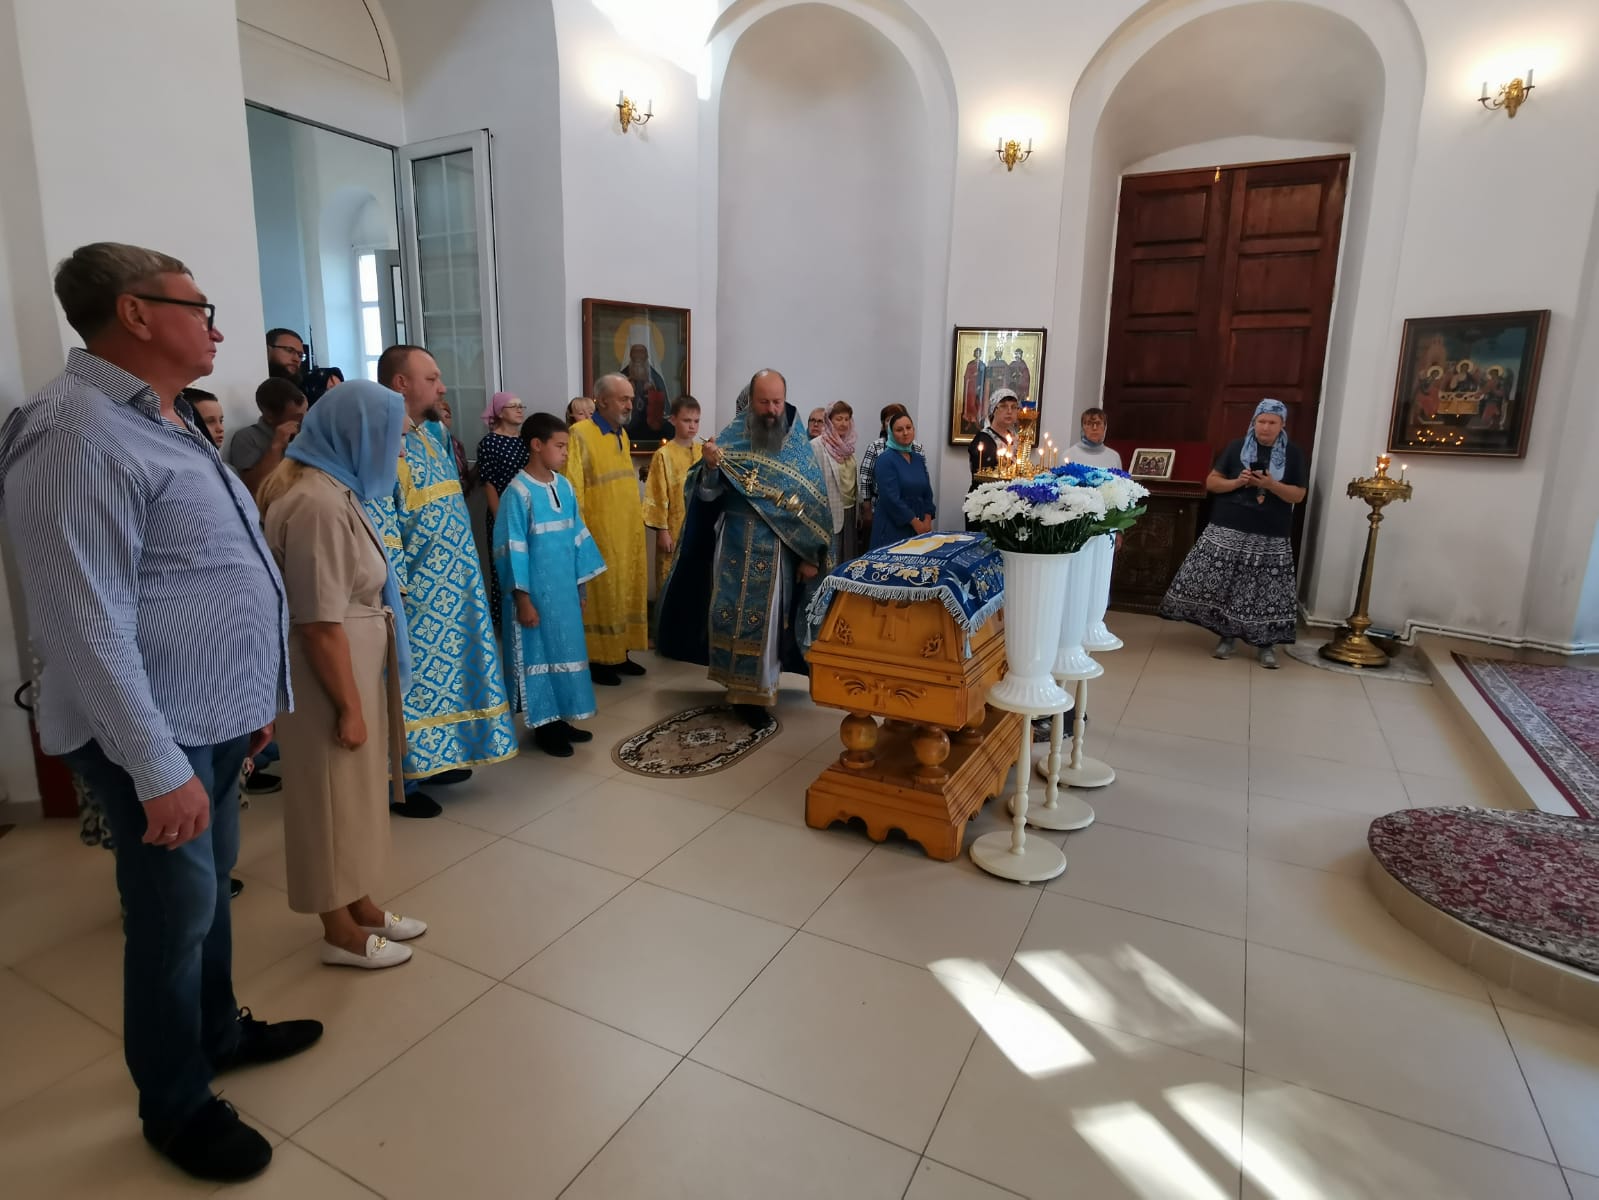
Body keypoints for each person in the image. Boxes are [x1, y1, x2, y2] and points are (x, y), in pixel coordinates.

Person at [0, 242, 319, 1183]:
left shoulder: (161, 416)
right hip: (156, 734)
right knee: (172, 921)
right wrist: (155, 764)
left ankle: (218, 1032)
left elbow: (201, 571)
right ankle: (175, 1106)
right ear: (135, 314)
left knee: (207, 896)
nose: (216, 327)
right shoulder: (74, 431)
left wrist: (253, 700)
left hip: (209, 716)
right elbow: (83, 621)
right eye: (198, 307)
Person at [259, 381, 426, 969]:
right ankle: (338, 933)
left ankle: (361, 905)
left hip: (350, 664)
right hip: (327, 675)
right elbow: (317, 623)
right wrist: (350, 707)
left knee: (353, 796)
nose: (399, 451)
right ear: (358, 436)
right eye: (393, 438)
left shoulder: (336, 490)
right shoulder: (316, 505)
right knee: (328, 800)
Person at [366, 345, 518, 817]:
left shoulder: (433, 432)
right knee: (410, 686)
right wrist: (395, 591)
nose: (443, 387)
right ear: (401, 384)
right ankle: (401, 783)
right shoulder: (379, 442)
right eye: (432, 378)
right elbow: (381, 522)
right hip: (415, 592)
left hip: (457, 585)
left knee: (451, 679)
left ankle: (436, 759)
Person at [656, 369, 831, 720]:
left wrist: (812, 556)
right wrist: (708, 468)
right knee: (729, 617)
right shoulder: (731, 438)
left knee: (768, 624)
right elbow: (706, 495)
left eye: (777, 402)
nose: (772, 410)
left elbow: (813, 506)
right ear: (751, 401)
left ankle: (758, 694)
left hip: (778, 549)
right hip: (733, 543)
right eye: (764, 402)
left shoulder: (796, 447)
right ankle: (736, 687)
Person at [1159, 398, 1307, 669]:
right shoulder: (1237, 447)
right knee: (1229, 584)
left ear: (1282, 424)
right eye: (1261, 421)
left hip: (1271, 531)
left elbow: (1298, 494)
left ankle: (1266, 645)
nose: (1265, 427)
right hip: (1230, 524)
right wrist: (1238, 481)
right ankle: (1227, 636)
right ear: (1254, 421)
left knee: (1265, 589)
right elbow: (1212, 483)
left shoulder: (1293, 454)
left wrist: (1271, 484)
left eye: (1272, 422)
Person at [494, 412, 607, 758]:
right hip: (536, 597)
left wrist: (580, 588)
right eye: (560, 446)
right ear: (536, 445)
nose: (565, 453)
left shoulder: (564, 486)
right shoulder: (518, 493)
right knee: (539, 655)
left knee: (566, 652)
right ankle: (545, 727)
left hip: (564, 593)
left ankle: (563, 718)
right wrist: (523, 600)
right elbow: (512, 549)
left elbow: (577, 538)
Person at [564, 373, 648, 685]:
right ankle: (598, 659)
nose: (630, 404)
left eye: (631, 398)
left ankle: (619, 652)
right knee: (602, 595)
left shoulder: (621, 434)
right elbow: (573, 486)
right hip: (598, 532)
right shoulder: (579, 434)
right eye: (623, 398)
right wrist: (579, 533)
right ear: (601, 401)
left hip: (626, 530)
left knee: (624, 590)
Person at [476, 392, 531, 626]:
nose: (519, 410)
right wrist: (501, 519)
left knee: (526, 564)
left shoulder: (526, 440)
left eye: (521, 406)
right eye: (513, 406)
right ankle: (505, 622)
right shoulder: (489, 443)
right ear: (499, 412)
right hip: (503, 513)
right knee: (505, 566)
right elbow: (489, 484)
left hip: (528, 513)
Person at [643, 394, 703, 574]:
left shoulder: (702, 452)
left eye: (696, 421)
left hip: (699, 526)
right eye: (687, 420)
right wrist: (662, 531)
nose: (692, 426)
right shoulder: (664, 455)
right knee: (670, 574)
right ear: (673, 419)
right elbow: (657, 494)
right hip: (673, 528)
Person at [229, 377, 308, 496]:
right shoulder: (247, 438)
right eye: (297, 417)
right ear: (270, 416)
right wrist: (276, 446)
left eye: (306, 411)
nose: (305, 419)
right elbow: (252, 488)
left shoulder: (306, 432)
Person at [870, 411, 937, 549]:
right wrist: (915, 523)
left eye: (908, 428)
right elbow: (890, 498)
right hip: (893, 526)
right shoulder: (885, 460)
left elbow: (927, 492)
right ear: (891, 433)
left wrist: (927, 520)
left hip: (920, 525)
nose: (905, 433)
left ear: (914, 429)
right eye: (899, 430)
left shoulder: (918, 459)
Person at [857, 402, 924, 533]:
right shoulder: (876, 446)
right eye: (889, 420)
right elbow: (865, 478)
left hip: (912, 510)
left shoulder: (917, 447)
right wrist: (867, 509)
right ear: (883, 425)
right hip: (882, 507)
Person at [811, 399, 859, 563]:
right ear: (829, 421)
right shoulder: (817, 445)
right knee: (830, 562)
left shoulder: (849, 446)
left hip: (850, 511)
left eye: (847, 419)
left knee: (847, 560)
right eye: (839, 419)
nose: (844, 423)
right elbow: (814, 483)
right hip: (829, 512)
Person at [968, 388, 1021, 487]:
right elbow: (982, 476)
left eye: (1014, 407)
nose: (1009, 411)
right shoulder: (984, 439)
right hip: (988, 493)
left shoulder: (1016, 437)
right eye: (1003, 406)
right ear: (993, 410)